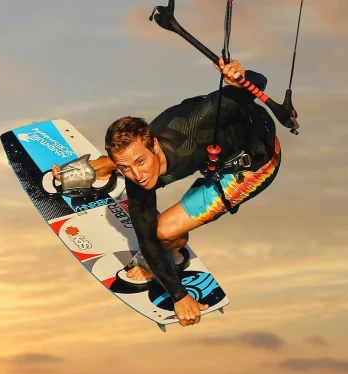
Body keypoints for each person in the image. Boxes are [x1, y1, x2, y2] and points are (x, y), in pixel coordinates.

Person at [53, 58, 282, 327]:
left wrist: (239, 77)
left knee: (165, 233)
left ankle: (173, 252)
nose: (137, 176)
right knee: (139, 185)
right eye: (124, 167)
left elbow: (257, 84)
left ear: (156, 147)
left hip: (250, 164)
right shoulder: (139, 170)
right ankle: (104, 168)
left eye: (140, 162)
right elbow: (144, 235)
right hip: (209, 149)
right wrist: (178, 293)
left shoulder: (198, 125)